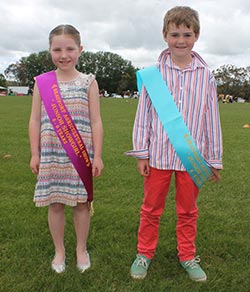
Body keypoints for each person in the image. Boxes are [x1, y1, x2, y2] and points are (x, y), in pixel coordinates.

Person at [126, 6, 223, 282]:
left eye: (187, 34)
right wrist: (142, 153)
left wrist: (213, 159)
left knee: (188, 211)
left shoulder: (206, 75)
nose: (181, 40)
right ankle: (144, 253)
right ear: (164, 35)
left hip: (191, 159)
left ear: (197, 35)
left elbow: (211, 119)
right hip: (157, 156)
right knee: (151, 209)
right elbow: (143, 115)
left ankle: (188, 256)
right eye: (174, 34)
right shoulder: (152, 74)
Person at [29, 24, 103, 274]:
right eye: (57, 49)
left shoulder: (89, 82)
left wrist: (98, 156)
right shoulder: (42, 83)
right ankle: (59, 250)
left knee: (81, 204)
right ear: (49, 51)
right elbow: (34, 120)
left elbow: (96, 121)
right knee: (56, 203)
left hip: (80, 156)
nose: (64, 54)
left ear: (80, 50)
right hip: (51, 155)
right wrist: (35, 152)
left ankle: (81, 249)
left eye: (70, 48)